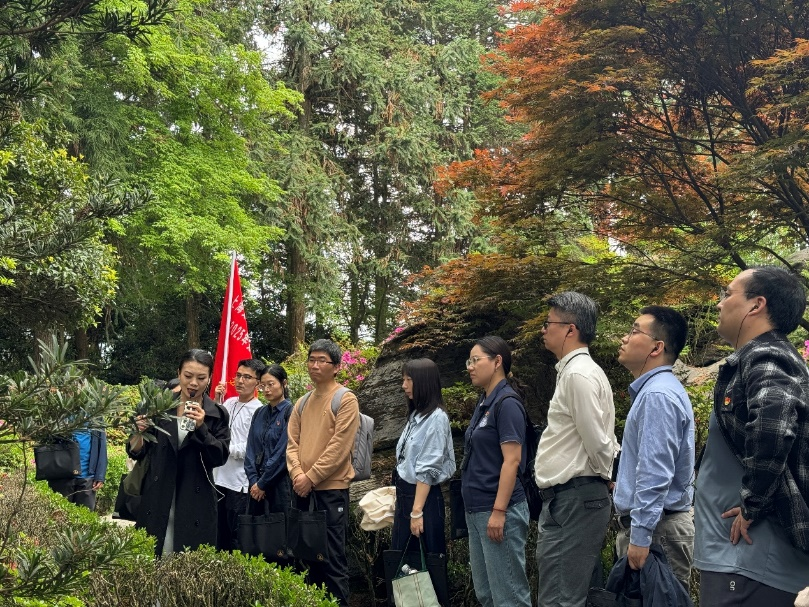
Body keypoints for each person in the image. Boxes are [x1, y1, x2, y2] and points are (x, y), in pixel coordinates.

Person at [694, 266, 809, 605]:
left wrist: (752, 504)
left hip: (752, 558)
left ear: (756, 305)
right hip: (739, 556)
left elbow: (774, 423)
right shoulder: (753, 358)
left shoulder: (766, 354)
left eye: (728, 294)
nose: (720, 303)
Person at [534, 291, 617, 607]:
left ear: (570, 329)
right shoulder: (577, 372)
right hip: (574, 498)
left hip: (574, 497)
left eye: (549, 323)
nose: (543, 329)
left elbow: (598, 441)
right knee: (568, 596)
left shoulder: (578, 374)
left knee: (560, 599)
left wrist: (606, 475)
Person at [613, 306, 695, 589]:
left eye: (634, 331)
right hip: (657, 530)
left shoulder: (657, 395)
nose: (625, 338)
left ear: (657, 347)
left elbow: (655, 472)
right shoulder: (658, 390)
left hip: (658, 533)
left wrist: (640, 535)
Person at [127, 348, 231, 557]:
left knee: (189, 559)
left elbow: (219, 456)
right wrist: (138, 433)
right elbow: (138, 451)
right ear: (178, 373)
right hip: (159, 491)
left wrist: (202, 428)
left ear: (210, 378)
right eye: (188, 376)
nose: (193, 383)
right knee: (153, 555)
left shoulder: (217, 413)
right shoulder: (159, 407)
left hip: (195, 495)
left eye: (201, 378)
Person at [287, 339, 359, 607]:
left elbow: (339, 447)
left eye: (322, 360)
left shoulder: (345, 399)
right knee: (307, 558)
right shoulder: (302, 403)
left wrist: (311, 477)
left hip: (331, 492)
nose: (314, 365)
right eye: (311, 359)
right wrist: (298, 474)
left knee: (333, 559)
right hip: (302, 490)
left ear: (337, 367)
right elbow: (291, 444)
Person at [461, 336, 531, 607]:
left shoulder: (507, 403)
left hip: (499, 510)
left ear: (497, 361)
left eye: (476, 360)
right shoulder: (484, 402)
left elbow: (512, 461)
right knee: (487, 595)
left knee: (509, 597)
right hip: (477, 509)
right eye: (469, 361)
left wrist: (499, 511)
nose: (470, 367)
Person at [392, 358, 456, 555]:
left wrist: (416, 512)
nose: (404, 386)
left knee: (426, 563)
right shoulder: (416, 415)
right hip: (406, 497)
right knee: (403, 564)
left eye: (409, 380)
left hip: (423, 500)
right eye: (403, 379)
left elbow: (428, 469)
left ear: (424, 382)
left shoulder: (436, 418)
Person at [212, 358, 264, 551]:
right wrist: (217, 401)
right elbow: (215, 428)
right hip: (219, 478)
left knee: (236, 536)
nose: (241, 381)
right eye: (238, 375)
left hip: (239, 483)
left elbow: (251, 448)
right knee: (218, 532)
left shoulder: (258, 410)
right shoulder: (229, 402)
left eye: (247, 377)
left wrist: (224, 448)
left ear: (258, 383)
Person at [244, 363, 293, 561]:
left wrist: (263, 483)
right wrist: (253, 481)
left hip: (279, 483)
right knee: (256, 537)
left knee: (280, 538)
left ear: (283, 383)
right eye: (262, 385)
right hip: (256, 485)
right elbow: (250, 449)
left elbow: (283, 452)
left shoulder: (290, 411)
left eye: (271, 384)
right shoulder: (259, 413)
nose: (266, 389)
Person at [48, 425, 108, 511]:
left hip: (87, 477)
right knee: (59, 514)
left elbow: (102, 446)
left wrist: (100, 476)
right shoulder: (59, 417)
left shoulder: (95, 418)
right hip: (62, 475)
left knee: (85, 515)